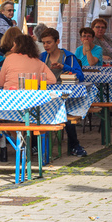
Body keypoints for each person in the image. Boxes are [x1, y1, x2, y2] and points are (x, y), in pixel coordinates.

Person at [39, 28, 86, 157]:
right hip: (45, 96)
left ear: (57, 41)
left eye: (49, 42)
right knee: (34, 112)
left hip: (65, 96)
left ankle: (74, 145)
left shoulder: (68, 57)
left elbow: (80, 77)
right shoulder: (42, 57)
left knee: (66, 113)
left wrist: (64, 67)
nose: (46, 46)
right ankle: (34, 145)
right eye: (43, 43)